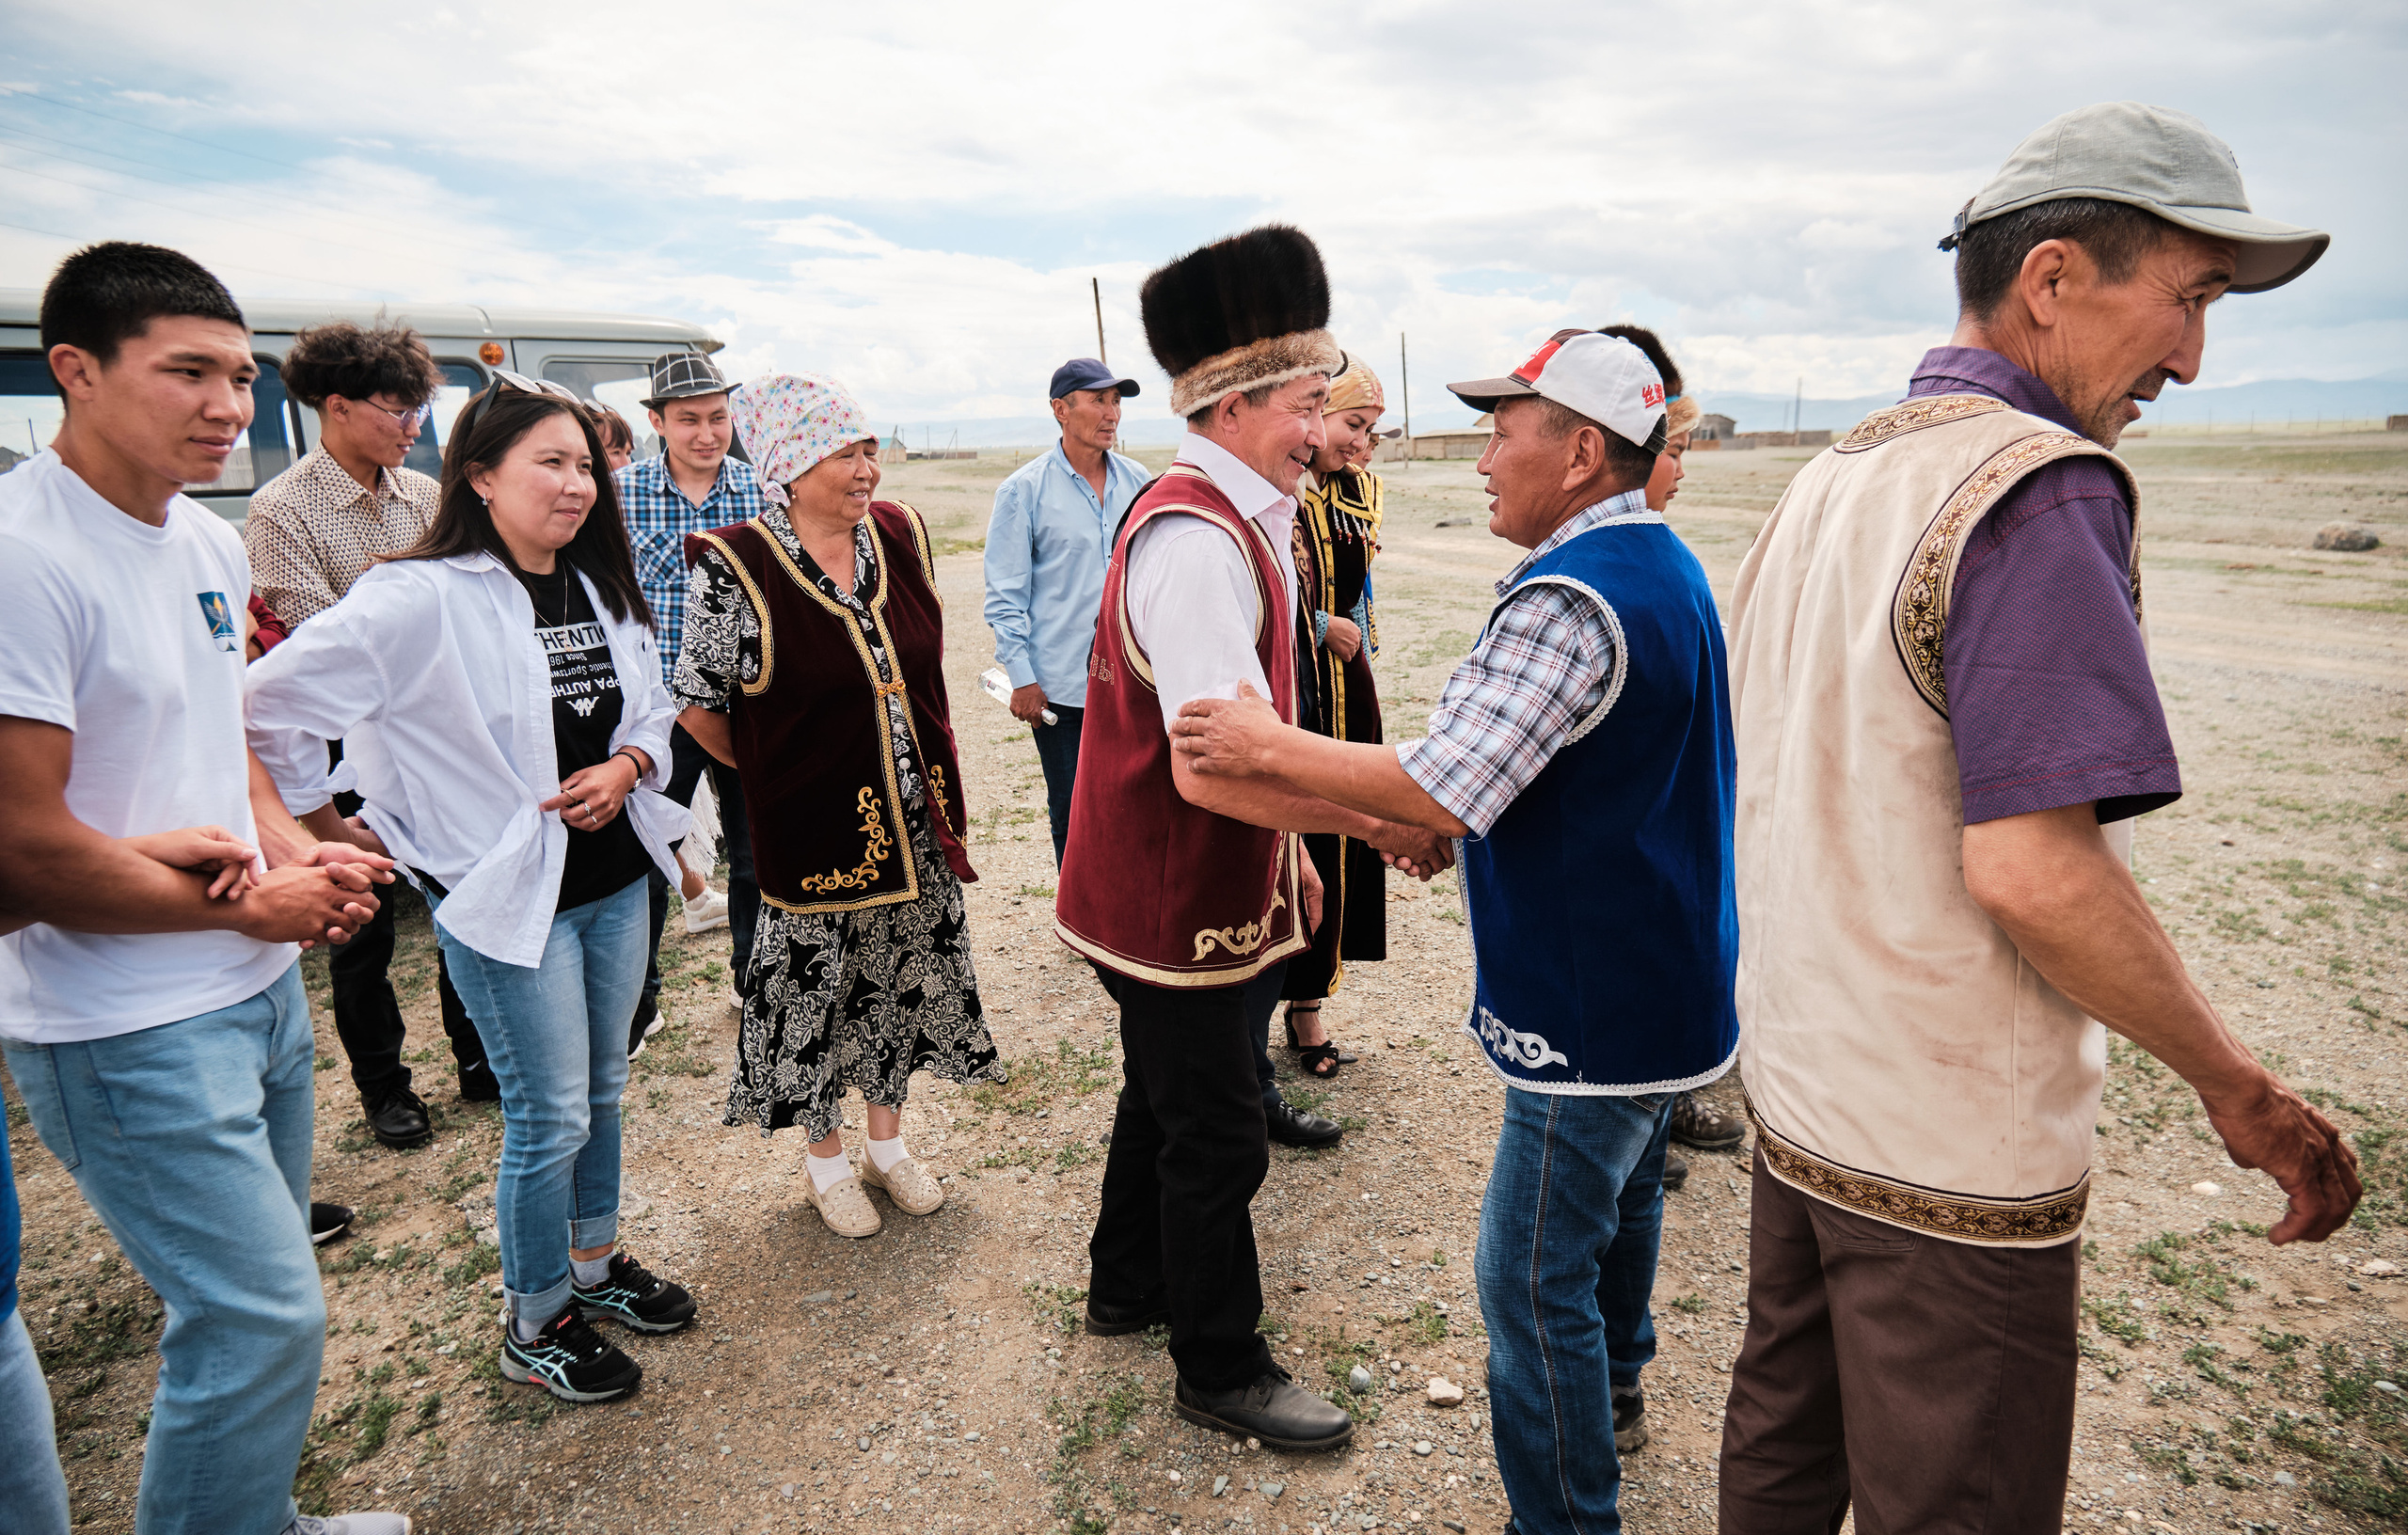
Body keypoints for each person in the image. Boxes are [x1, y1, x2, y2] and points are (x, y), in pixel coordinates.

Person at [1719, 103, 2361, 1531]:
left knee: (1782, 1445)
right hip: (1950, 1149)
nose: (2195, 357)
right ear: (2053, 280)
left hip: (1804, 1095)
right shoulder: (2035, 487)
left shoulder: (1832, 476)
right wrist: (2237, 1087)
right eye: (2187, 300)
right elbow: (2033, 870)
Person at [1174, 328, 1737, 1527]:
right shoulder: (1660, 561)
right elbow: (1537, 769)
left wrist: (1269, 748)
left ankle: (1565, 1518)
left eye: (1502, 432)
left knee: (1532, 1282)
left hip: (1589, 1009)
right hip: (1667, 983)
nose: (1483, 459)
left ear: (1580, 452)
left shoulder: (1569, 597)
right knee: (1625, 1211)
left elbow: (1443, 787)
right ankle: (1618, 1396)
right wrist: (1438, 816)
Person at [0, 240, 402, 1535]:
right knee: (259, 1314)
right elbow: (20, 849)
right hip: (121, 1024)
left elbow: (221, 748)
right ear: (76, 369)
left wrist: (288, 845)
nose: (228, 405)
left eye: (238, 375)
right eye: (188, 372)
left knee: (253, 1302)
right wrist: (255, 907)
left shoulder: (205, 547)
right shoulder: (22, 556)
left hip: (250, 993)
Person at [1059, 225, 1450, 1452]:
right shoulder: (1195, 541)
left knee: (1160, 1098)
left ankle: (1125, 1286)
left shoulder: (1244, 515)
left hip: (1194, 881)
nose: (1317, 426)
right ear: (1231, 406)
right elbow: (1218, 762)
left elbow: (1245, 734)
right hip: (1175, 894)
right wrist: (1365, 819)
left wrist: (1296, 857)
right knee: (1218, 1132)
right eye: (1303, 402)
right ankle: (1218, 1364)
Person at [248, 373, 701, 1405]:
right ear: (480, 477)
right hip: (507, 900)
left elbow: (652, 714)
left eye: (586, 463)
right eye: (551, 461)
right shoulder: (421, 595)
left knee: (602, 1092)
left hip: (614, 882)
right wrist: (322, 828)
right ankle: (536, 1316)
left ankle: (594, 1269)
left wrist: (628, 771)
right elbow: (267, 705)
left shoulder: (598, 585)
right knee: (547, 1115)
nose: (578, 483)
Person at [676, 372, 1004, 1241]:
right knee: (811, 994)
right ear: (788, 465)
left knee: (900, 978)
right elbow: (701, 704)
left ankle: (887, 1148)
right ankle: (825, 1161)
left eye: (869, 448)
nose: (866, 469)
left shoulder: (900, 534)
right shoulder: (736, 566)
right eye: (843, 453)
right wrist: (776, 778)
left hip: (919, 819)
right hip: (813, 830)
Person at [245, 318, 496, 1146]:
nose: (414, 427)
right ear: (340, 405)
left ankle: (476, 1058)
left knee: (461, 897)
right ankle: (385, 1089)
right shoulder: (281, 511)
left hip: (432, 736)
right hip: (338, 747)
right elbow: (325, 643)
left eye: (421, 410)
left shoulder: (427, 498)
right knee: (363, 921)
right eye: (399, 409)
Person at [1592, 325, 1741, 1188]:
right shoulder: (1606, 574)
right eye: (1672, 450)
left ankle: (1653, 1121)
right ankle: (1647, 1121)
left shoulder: (1661, 563)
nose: (1680, 470)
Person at [618, 352, 765, 1051]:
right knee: (645, 850)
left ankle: (751, 975)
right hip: (658, 706)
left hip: (744, 699)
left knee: (754, 847)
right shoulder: (621, 492)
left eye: (717, 418)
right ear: (657, 422)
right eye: (688, 421)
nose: (706, 434)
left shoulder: (761, 487)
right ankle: (636, 1004)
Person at [981, 357, 1150, 865]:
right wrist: (1024, 678)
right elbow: (1005, 596)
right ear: (1061, 409)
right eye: (1098, 399)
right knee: (1073, 809)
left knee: (1136, 804)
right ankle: (1083, 922)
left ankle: (1129, 924)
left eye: (1116, 401)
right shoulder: (1022, 491)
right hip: (1062, 688)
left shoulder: (1139, 481)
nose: (1112, 413)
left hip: (1133, 680)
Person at [1275, 351, 1392, 1080]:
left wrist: (1350, 629)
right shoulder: (1280, 488)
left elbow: (1365, 588)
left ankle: (1310, 1002)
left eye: (1372, 429)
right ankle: (1269, 989)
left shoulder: (1363, 491)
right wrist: (1319, 626)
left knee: (1343, 836)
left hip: (1351, 689)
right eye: (1353, 423)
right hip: (1300, 683)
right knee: (1298, 825)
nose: (1360, 442)